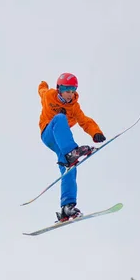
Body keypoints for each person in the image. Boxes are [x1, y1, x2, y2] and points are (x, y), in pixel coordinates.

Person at [38, 72, 106, 222]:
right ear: (59, 89)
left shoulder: (74, 107)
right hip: (48, 133)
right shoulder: (49, 95)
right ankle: (71, 151)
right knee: (60, 118)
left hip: (60, 142)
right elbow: (42, 91)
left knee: (69, 167)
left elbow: (85, 121)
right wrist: (42, 85)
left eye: (72, 91)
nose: (70, 95)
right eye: (67, 91)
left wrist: (96, 133)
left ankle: (67, 207)